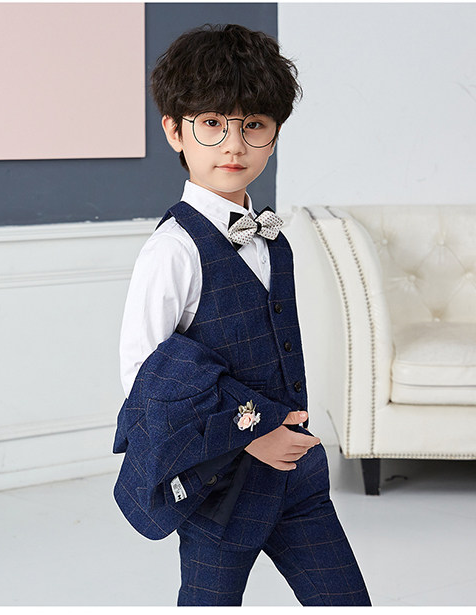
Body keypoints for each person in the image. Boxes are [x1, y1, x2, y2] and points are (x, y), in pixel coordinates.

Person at [116, 23, 371, 606]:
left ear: (274, 136)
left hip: (297, 477)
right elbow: (146, 378)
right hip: (221, 491)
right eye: (212, 124)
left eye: (253, 125)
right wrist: (252, 435)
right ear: (175, 131)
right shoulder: (173, 250)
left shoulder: (273, 239)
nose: (233, 145)